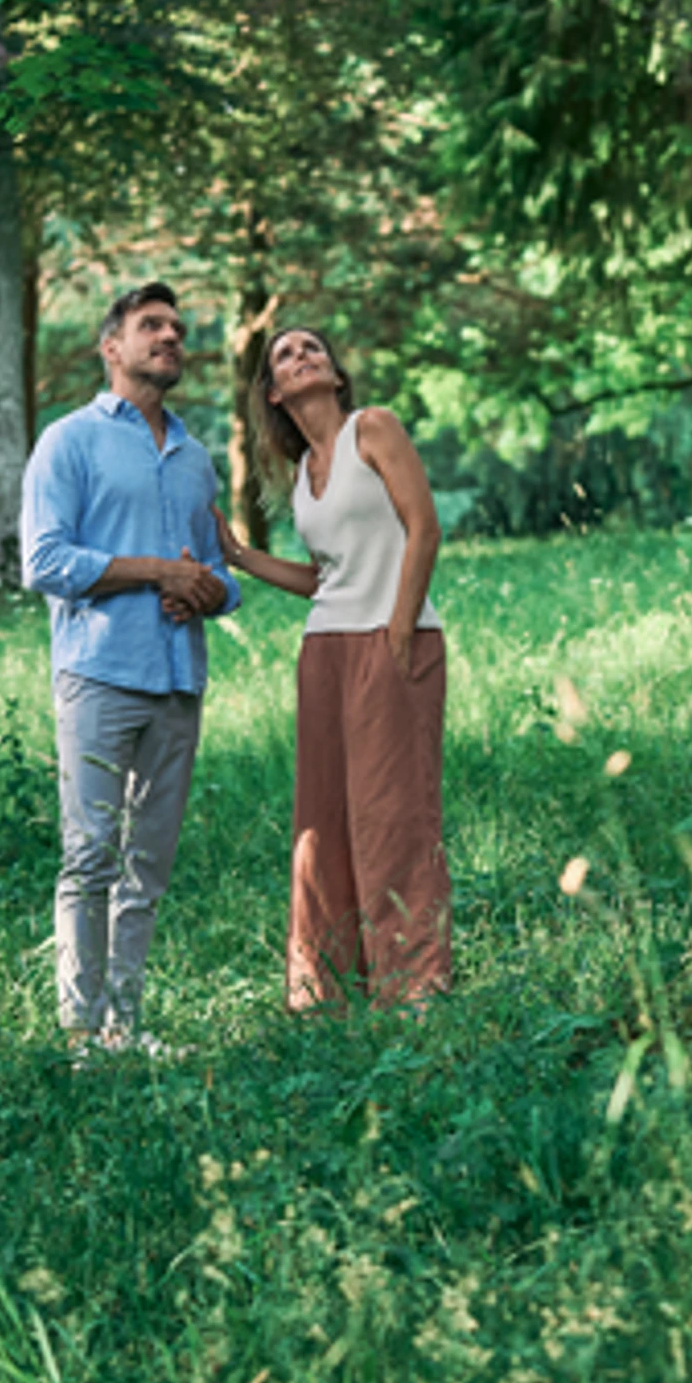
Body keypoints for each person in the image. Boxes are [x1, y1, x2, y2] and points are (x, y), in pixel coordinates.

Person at [21, 281, 238, 1050]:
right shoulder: (68, 442)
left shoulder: (194, 458)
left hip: (179, 681)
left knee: (147, 864)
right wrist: (156, 572)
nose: (170, 337)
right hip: (100, 675)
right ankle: (80, 1036)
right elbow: (43, 560)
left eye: (177, 327)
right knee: (88, 857)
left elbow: (220, 573)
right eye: (152, 326)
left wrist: (205, 590)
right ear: (112, 347)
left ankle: (126, 1030)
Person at [219, 325, 452, 1009]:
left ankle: (412, 983)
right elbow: (326, 578)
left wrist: (400, 634)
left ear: (336, 375)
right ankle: (323, 984)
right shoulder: (304, 478)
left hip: (392, 637)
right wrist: (239, 556)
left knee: (395, 812)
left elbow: (424, 528)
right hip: (324, 649)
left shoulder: (372, 429)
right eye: (286, 355)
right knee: (321, 819)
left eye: (312, 347)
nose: (303, 355)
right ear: (275, 393)